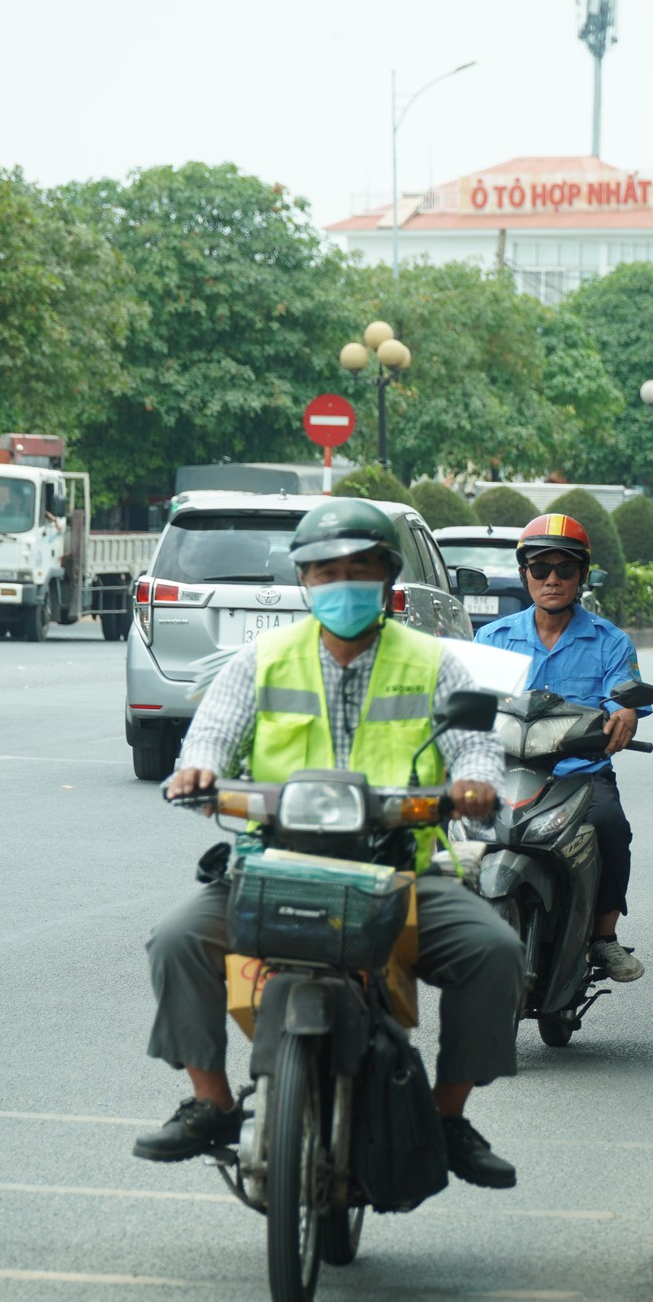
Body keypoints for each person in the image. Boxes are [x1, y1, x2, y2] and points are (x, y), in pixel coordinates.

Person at [142, 499, 523, 1190]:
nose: (341, 583)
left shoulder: (434, 662)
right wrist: (197, 770)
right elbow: (211, 735)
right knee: (176, 939)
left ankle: (446, 1117)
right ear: (305, 580)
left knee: (496, 951)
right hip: (276, 862)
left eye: (358, 568)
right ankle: (211, 1102)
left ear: (386, 577)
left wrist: (474, 785)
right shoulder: (261, 658)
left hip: (400, 869)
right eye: (326, 570)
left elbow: (475, 748)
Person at [475, 513, 651, 984]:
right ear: (524, 575)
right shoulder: (492, 638)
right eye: (540, 569)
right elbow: (469, 700)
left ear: (582, 577)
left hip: (580, 773)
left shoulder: (610, 641)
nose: (552, 579)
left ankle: (604, 938)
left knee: (611, 828)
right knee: (449, 822)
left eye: (565, 569)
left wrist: (625, 713)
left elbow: (624, 694)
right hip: (507, 770)